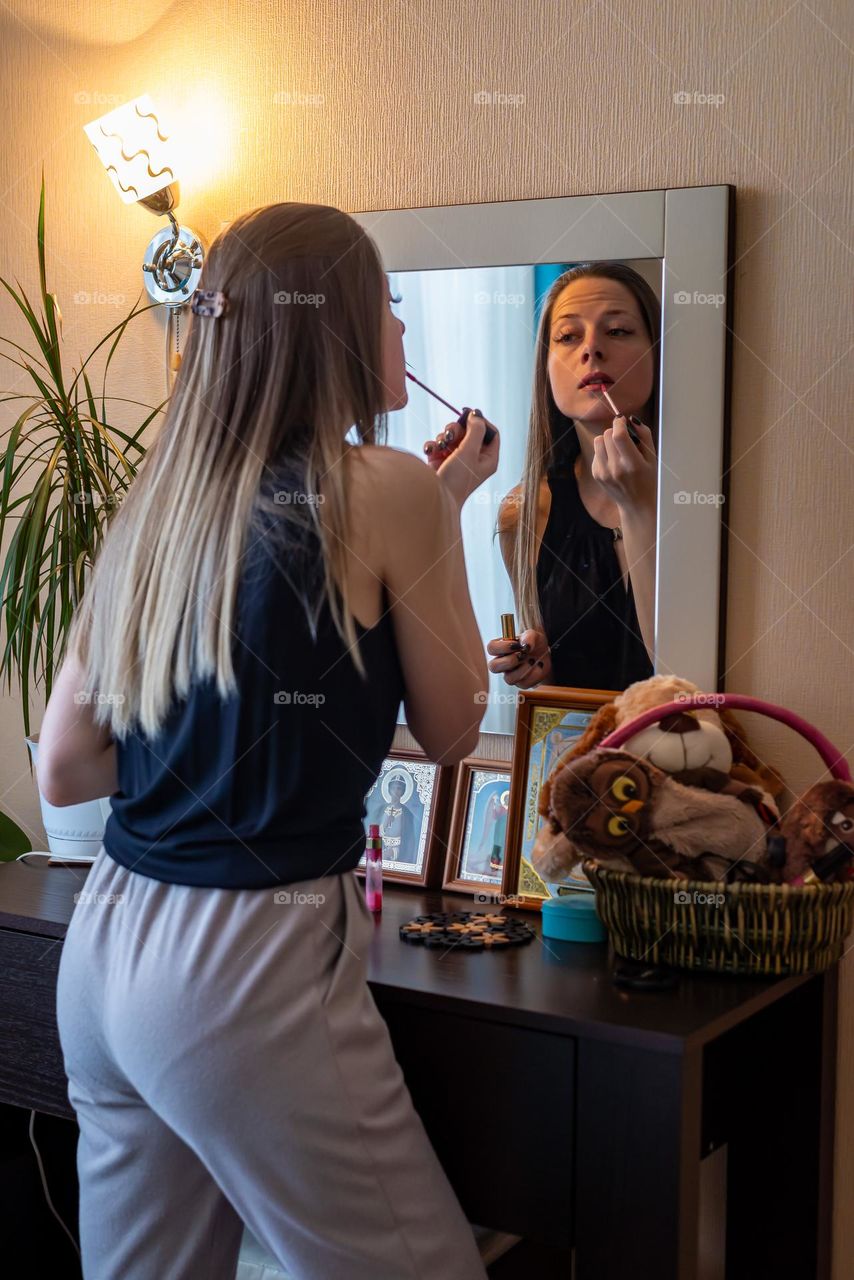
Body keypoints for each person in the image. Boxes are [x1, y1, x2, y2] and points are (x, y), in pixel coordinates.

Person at [38, 201, 498, 1279]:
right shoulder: (387, 491)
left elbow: (65, 763)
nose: (399, 328)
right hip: (244, 960)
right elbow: (452, 724)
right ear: (332, 325)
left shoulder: (159, 502)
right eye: (384, 303)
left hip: (106, 952)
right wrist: (447, 510)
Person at [428, 263, 660, 695]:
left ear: (657, 351)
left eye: (619, 331)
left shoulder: (703, 492)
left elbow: (682, 682)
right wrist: (540, 667)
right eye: (569, 337)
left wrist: (640, 506)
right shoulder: (527, 511)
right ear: (546, 368)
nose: (591, 349)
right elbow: (553, 703)